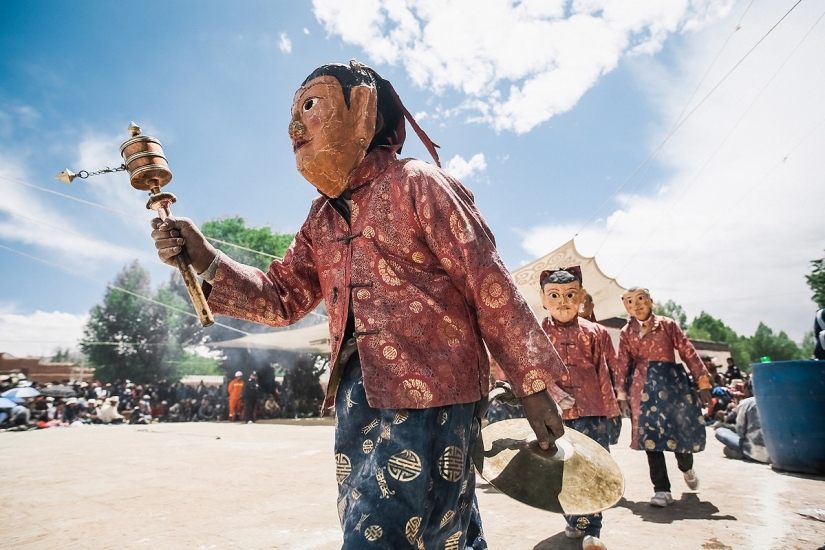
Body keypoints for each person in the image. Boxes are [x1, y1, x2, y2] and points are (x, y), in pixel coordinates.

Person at [150, 60, 572, 549]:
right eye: (293, 112)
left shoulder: (420, 183)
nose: (293, 127)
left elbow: (488, 282)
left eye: (311, 106)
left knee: (416, 532)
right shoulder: (320, 219)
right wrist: (205, 258)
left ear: (363, 111)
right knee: (411, 527)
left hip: (437, 391)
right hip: (357, 397)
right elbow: (282, 297)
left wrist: (531, 383)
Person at [539, 267, 619, 550]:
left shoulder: (596, 332)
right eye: (555, 295)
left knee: (592, 468)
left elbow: (607, 373)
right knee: (561, 470)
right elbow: (533, 370)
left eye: (571, 294)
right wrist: (556, 394)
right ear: (543, 299)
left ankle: (592, 529)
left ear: (581, 297)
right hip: (553, 414)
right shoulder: (536, 333)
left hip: (592, 412)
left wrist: (613, 412)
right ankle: (573, 519)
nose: (563, 301)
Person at [616, 287, 713, 508]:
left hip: (672, 386)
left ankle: (686, 466)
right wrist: (621, 394)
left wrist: (703, 381)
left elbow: (687, 350)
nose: (636, 305)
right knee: (651, 441)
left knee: (680, 432)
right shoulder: (626, 332)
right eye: (630, 301)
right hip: (642, 389)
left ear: (650, 301)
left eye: (640, 299)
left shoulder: (668, 325)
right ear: (626, 307)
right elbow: (623, 363)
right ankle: (662, 489)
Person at [714, 380, 770, 463]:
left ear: (748, 388)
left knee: (720, 430)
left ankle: (743, 453)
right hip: (772, 453)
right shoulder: (772, 402)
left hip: (752, 450)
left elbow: (740, 431)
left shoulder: (746, 403)